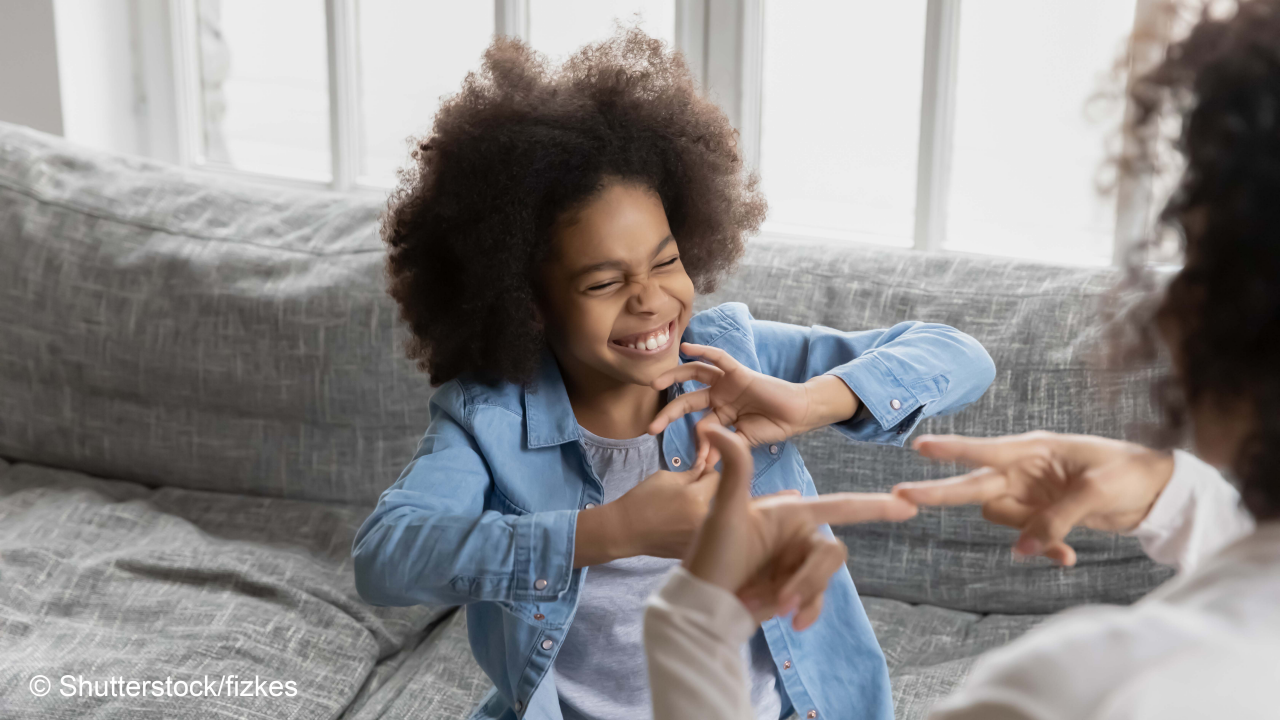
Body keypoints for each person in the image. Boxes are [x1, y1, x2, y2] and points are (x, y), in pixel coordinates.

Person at [642, 1, 1280, 718]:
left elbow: (955, 354)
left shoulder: (1088, 685)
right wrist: (1180, 496)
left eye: (1191, 261)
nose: (1166, 308)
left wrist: (693, 624)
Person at [349, 28, 996, 720]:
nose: (651, 298)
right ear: (528, 304)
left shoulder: (733, 358)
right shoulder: (488, 420)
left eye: (664, 261)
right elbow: (385, 558)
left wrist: (812, 402)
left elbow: (958, 355)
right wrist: (609, 532)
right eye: (604, 282)